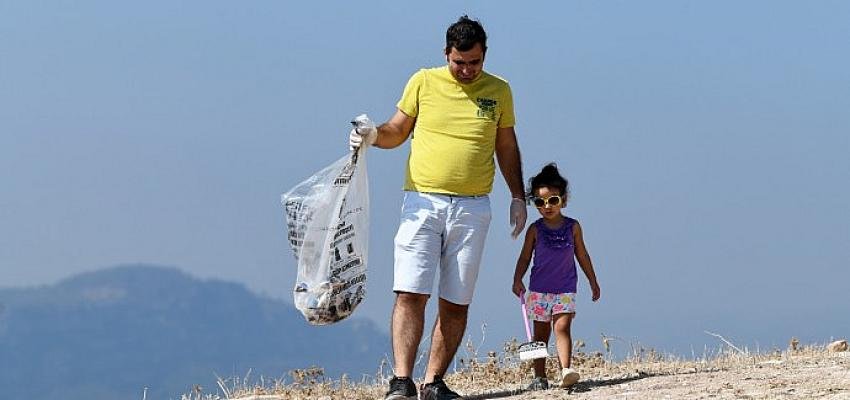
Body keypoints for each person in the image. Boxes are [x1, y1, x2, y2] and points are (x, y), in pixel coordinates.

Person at [349, 15, 526, 400]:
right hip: (422, 202)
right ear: (446, 53)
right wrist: (373, 135)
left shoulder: (500, 91)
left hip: (473, 206)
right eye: (459, 62)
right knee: (410, 291)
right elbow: (398, 130)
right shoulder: (423, 81)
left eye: (474, 62)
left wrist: (518, 196)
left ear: (484, 56)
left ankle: (433, 382)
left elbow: (506, 146)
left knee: (456, 298)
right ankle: (401, 380)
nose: (466, 70)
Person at [511, 163, 600, 390]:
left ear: (563, 200)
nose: (547, 206)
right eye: (540, 202)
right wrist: (517, 278)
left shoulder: (573, 227)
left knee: (562, 328)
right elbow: (524, 258)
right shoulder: (535, 229)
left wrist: (592, 280)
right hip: (539, 290)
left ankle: (566, 370)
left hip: (565, 289)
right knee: (540, 335)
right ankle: (539, 377)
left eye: (553, 200)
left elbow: (583, 255)